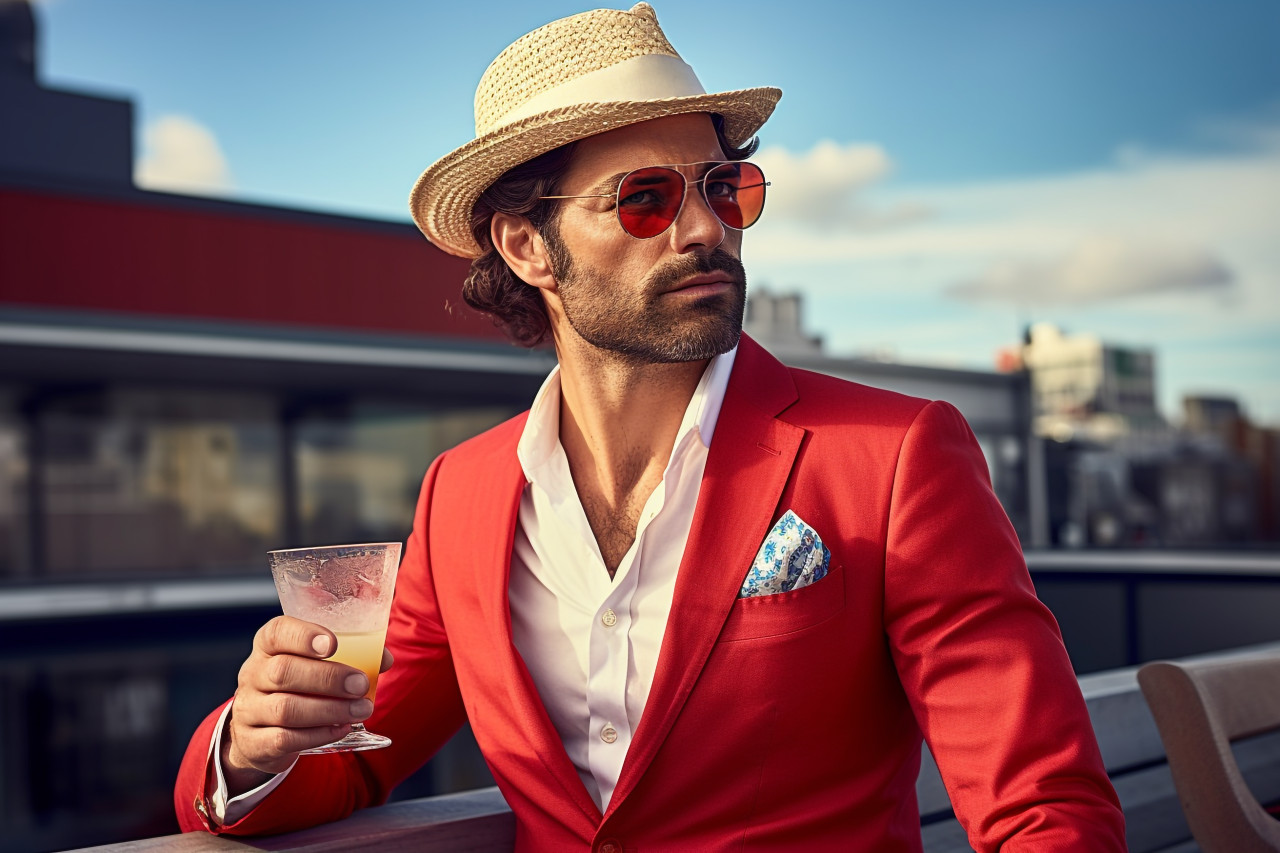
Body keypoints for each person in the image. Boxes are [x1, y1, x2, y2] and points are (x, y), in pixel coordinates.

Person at [174, 4, 1126, 850]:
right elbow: (354, 764)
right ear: (525, 244)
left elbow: (1043, 806)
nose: (707, 228)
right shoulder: (459, 493)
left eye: (723, 188)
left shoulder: (895, 455)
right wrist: (256, 741)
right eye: (644, 199)